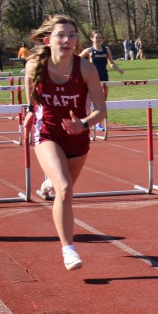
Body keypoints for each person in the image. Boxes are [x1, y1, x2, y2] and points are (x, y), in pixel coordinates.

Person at [25, 14, 107, 271]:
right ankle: (68, 249)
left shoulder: (86, 69)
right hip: (47, 134)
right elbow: (30, 95)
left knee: (64, 186)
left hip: (78, 136)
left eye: (72, 35)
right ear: (48, 40)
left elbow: (101, 111)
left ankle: (50, 179)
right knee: (65, 189)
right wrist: (30, 112)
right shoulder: (34, 66)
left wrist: (83, 124)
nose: (67, 40)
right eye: (61, 35)